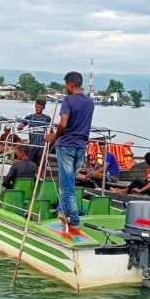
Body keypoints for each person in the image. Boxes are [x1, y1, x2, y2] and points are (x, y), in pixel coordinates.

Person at [45, 71, 94, 233]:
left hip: (66, 145)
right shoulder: (90, 102)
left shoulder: (68, 100)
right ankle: (61, 211)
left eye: (66, 85)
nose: (66, 88)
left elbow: (64, 124)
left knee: (68, 187)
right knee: (68, 182)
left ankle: (74, 221)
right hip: (81, 147)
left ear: (70, 85)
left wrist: (54, 136)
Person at [17, 99, 51, 165]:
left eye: (41, 108)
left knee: (42, 163)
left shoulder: (47, 118)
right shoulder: (29, 117)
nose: (39, 109)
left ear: (43, 108)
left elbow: (50, 128)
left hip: (42, 145)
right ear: (35, 106)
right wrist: (20, 127)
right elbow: (22, 124)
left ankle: (41, 174)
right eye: (37, 107)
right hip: (32, 145)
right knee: (32, 163)